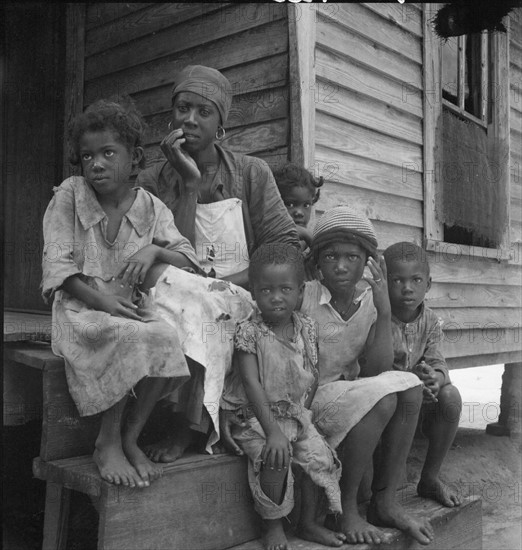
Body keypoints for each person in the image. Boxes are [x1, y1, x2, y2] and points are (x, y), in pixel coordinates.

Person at [136, 65, 299, 463]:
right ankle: (175, 422)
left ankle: (186, 429)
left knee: (207, 308)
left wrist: (226, 282)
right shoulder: (153, 180)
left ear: (220, 125)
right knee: (185, 306)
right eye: (182, 108)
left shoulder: (250, 173)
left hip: (241, 290)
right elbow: (165, 254)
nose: (189, 119)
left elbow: (284, 246)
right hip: (176, 286)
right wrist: (188, 184)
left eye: (203, 112)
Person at [41, 99, 201, 488]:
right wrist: (102, 301)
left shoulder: (150, 205)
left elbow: (187, 257)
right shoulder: (70, 194)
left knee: (166, 334)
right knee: (132, 334)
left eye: (108, 152)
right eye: (87, 156)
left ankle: (131, 435)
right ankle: (107, 441)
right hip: (82, 307)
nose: (95, 163)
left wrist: (154, 250)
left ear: (135, 159)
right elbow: (58, 266)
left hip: (127, 308)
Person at [222, 243, 344, 550]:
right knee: (274, 456)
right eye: (266, 290)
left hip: (294, 413)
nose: (276, 297)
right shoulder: (249, 332)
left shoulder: (307, 329)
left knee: (320, 456)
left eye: (285, 289)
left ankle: (309, 523)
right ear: (253, 291)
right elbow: (250, 383)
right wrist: (274, 431)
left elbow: (312, 372)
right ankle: (272, 524)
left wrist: (302, 416)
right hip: (256, 417)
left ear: (300, 291)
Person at [383, 242, 462, 508]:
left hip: (420, 401)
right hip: (387, 403)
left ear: (428, 284)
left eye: (416, 280)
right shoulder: (377, 316)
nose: (407, 288)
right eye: (397, 280)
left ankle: (429, 478)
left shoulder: (430, 322)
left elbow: (438, 363)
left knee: (451, 396)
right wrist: (409, 381)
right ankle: (385, 490)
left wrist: (434, 379)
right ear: (384, 281)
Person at [272, 162, 324, 251]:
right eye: (290, 204)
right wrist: (305, 234)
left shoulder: (309, 243)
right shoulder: (269, 237)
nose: (299, 212)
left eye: (306, 205)